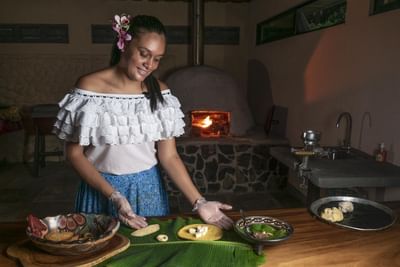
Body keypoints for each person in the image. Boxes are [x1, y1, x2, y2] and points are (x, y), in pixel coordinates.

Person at [53, 14, 233, 230]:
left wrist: (199, 202)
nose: (150, 64)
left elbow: (169, 156)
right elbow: (74, 154)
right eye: (144, 54)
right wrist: (114, 196)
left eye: (157, 58)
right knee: (99, 256)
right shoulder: (89, 88)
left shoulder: (161, 93)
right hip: (100, 190)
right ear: (123, 45)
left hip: (148, 189)